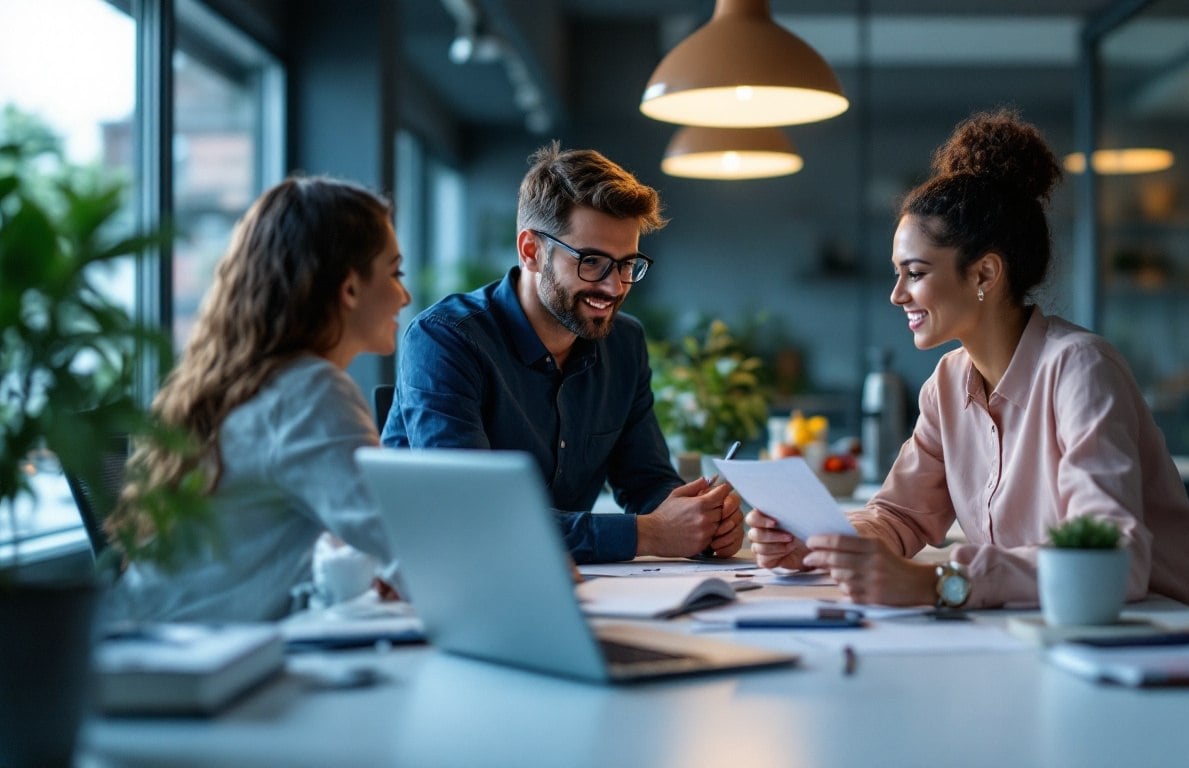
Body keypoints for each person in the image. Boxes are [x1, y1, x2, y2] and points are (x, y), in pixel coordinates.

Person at [747, 110, 1189, 620]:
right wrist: (817, 544)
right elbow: (900, 514)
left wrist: (940, 582)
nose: (897, 295)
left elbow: (1112, 557)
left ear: (984, 272)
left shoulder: (1080, 369)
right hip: (1063, 636)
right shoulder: (948, 382)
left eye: (914, 273)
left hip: (1178, 639)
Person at [381, 142, 743, 564]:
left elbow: (646, 481)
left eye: (627, 264)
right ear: (531, 251)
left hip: (568, 584)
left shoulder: (623, 343)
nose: (614, 287)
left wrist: (701, 519)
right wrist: (649, 534)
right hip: (438, 581)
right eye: (592, 262)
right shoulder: (445, 339)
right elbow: (474, 516)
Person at [105, 176, 411, 622]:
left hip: (159, 649)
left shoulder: (246, 383)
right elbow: (408, 549)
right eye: (394, 272)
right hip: (190, 672)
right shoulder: (309, 390)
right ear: (349, 288)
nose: (404, 295)